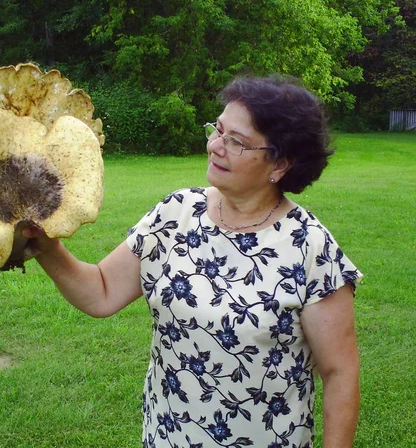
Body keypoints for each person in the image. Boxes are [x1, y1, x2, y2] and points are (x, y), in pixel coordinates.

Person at [23, 76, 362, 448]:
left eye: (236, 141)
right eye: (217, 130)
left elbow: (339, 372)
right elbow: (101, 292)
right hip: (168, 436)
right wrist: (44, 246)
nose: (215, 146)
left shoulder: (310, 248)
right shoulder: (176, 213)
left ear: (280, 164)